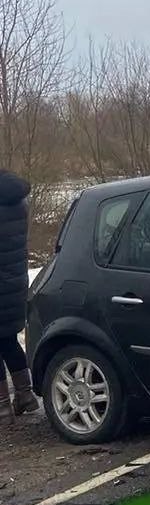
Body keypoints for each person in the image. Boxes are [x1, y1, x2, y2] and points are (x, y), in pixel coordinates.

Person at [0, 170, 37, 423]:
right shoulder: (17, 201)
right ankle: (25, 395)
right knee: (7, 339)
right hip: (14, 281)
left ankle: (2, 408)